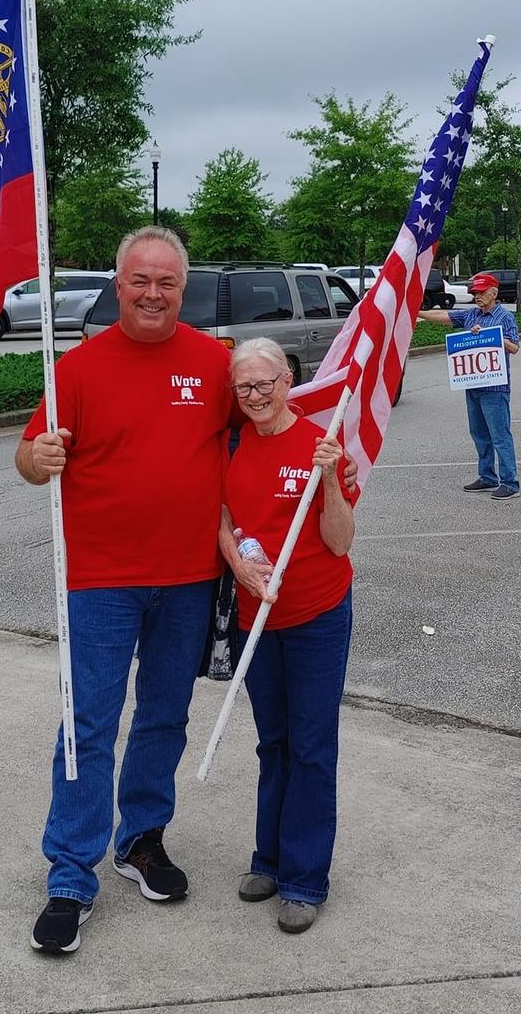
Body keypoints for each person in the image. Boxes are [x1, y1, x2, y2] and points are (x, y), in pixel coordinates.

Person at [17, 226, 233, 955]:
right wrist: (35, 456)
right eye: (139, 280)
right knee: (87, 727)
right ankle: (71, 874)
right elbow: (27, 456)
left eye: (166, 281)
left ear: (184, 286)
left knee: (164, 718)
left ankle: (141, 840)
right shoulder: (75, 368)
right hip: (101, 579)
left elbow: (257, 436)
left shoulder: (213, 363)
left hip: (188, 579)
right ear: (118, 284)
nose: (152, 293)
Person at [218, 338, 357, 935]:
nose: (255, 396)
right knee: (272, 742)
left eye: (265, 383)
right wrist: (238, 562)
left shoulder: (320, 444)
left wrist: (328, 481)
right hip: (256, 618)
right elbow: (220, 517)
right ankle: (268, 860)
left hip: (317, 615)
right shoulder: (230, 441)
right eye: (243, 386)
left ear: (288, 380)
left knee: (309, 746)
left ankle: (304, 879)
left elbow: (341, 541)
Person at [419, 271, 521, 498]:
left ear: (494, 293)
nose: (477, 296)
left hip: (495, 387)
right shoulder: (470, 315)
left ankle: (510, 482)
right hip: (473, 384)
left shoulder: (504, 317)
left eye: (482, 292)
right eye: (475, 292)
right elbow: (445, 317)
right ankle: (487, 476)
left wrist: (491, 336)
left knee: (500, 435)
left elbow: (514, 347)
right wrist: (417, 313)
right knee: (479, 433)